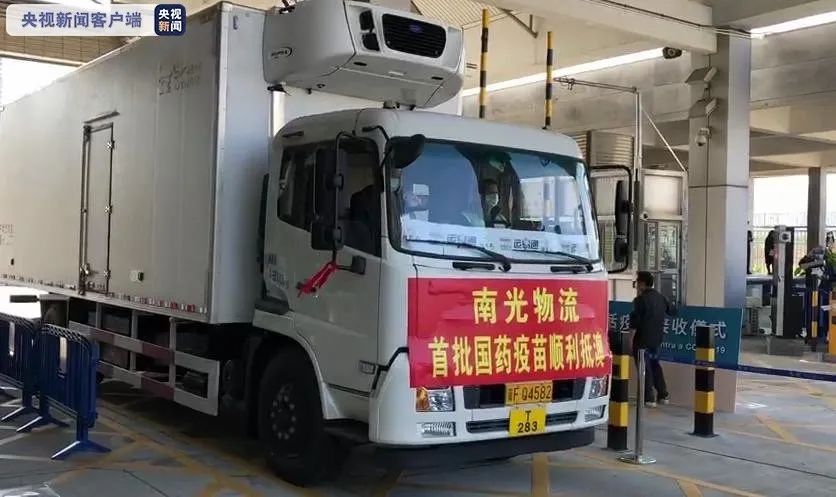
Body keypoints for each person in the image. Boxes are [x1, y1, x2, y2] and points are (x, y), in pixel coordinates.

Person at [629, 271, 675, 407]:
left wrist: (630, 339)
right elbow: (673, 311)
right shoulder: (661, 298)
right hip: (656, 339)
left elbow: (635, 322)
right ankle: (663, 394)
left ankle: (649, 398)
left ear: (642, 283)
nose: (637, 285)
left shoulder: (640, 300)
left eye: (637, 282)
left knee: (644, 367)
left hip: (642, 339)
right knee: (655, 365)